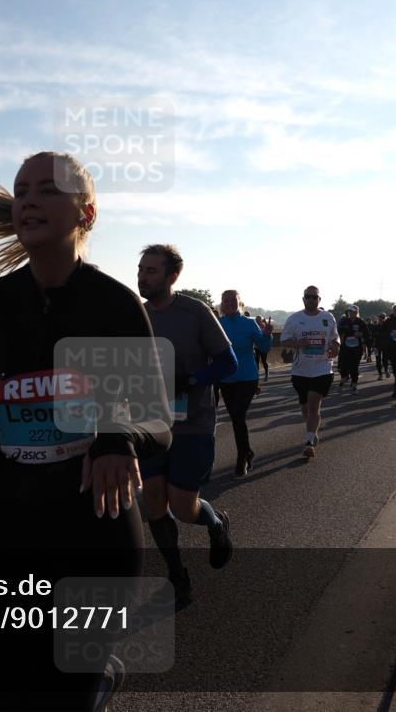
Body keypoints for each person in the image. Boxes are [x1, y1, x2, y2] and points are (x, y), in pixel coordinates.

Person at [0, 151, 171, 710]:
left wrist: (118, 440)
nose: (29, 199)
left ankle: (97, 680)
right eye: (21, 190)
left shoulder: (114, 304)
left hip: (97, 524)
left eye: (47, 190)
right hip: (14, 519)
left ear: (85, 213)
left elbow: (158, 419)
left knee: (67, 693)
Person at [137, 246, 236, 608]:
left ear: (171, 276)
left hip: (193, 425)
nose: (143, 277)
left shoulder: (194, 312)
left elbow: (229, 363)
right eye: (140, 269)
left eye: (151, 271)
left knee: (181, 507)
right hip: (148, 425)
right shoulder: (136, 314)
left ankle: (215, 523)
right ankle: (177, 574)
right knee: (153, 503)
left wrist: (192, 379)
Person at [279, 286, 340, 459]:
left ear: (319, 300)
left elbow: (335, 337)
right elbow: (284, 340)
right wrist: (299, 343)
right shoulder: (294, 319)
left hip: (322, 368)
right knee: (306, 408)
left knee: (314, 404)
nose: (311, 300)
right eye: (308, 297)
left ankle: (308, 443)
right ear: (303, 299)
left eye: (315, 297)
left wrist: (336, 346)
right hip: (300, 370)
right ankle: (311, 432)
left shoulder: (328, 317)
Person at [219, 294, 273, 475]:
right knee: (236, 418)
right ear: (222, 304)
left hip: (247, 377)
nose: (230, 303)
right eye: (226, 301)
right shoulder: (217, 323)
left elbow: (264, 347)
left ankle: (241, 458)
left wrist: (267, 335)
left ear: (239, 303)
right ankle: (248, 452)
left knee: (238, 415)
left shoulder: (249, 323)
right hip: (226, 378)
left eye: (233, 300)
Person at [337, 305, 369, 393]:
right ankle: (343, 380)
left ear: (357, 312)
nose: (351, 313)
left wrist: (360, 334)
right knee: (343, 367)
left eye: (354, 312)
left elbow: (367, 334)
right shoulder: (344, 321)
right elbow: (338, 330)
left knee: (354, 367)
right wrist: (343, 334)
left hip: (357, 349)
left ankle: (354, 385)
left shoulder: (360, 322)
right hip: (345, 348)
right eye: (350, 312)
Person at [373, 312, 391, 380]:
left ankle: (386, 370)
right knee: (378, 360)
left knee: (385, 359)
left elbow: (389, 335)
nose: (381, 319)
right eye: (380, 317)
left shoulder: (387, 326)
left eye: (382, 318)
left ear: (385, 318)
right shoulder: (376, 327)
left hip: (385, 345)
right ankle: (380, 374)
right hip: (377, 346)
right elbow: (372, 335)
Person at [254, 315, 272, 381]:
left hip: (264, 347)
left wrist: (268, 321)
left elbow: (269, 329)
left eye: (258, 319)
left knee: (264, 361)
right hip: (257, 346)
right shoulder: (254, 326)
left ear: (260, 320)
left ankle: (266, 373)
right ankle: (256, 375)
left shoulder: (264, 326)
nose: (257, 320)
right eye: (256, 319)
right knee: (256, 361)